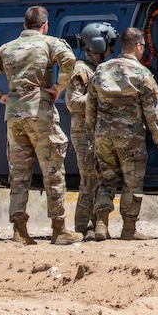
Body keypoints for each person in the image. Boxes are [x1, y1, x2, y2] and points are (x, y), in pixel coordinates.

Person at [0, 5, 82, 246]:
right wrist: (57, 89)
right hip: (40, 113)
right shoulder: (50, 43)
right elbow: (69, 61)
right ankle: (59, 228)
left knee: (19, 173)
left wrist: (0, 95)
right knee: (52, 170)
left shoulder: (6, 49)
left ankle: (19, 230)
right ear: (45, 25)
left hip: (14, 116)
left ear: (24, 26)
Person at [87, 27, 158, 241]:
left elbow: (90, 105)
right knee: (132, 182)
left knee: (106, 179)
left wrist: (92, 131)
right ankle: (129, 229)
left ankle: (101, 225)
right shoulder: (142, 74)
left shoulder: (102, 70)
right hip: (130, 138)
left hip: (103, 135)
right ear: (138, 46)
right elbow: (151, 109)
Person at [65, 22, 118, 237]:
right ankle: (82, 227)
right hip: (85, 135)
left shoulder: (97, 69)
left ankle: (96, 224)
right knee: (89, 181)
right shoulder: (81, 70)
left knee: (98, 179)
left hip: (96, 134)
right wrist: (98, 97)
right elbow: (73, 102)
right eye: (109, 44)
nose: (112, 49)